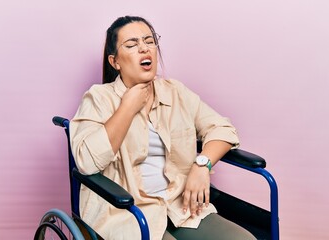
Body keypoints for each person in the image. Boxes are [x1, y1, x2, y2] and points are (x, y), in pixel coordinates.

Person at [70, 15, 256, 240]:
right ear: (115, 62)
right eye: (131, 45)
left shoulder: (175, 92)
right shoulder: (98, 98)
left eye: (149, 41)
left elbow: (223, 128)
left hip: (180, 205)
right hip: (126, 213)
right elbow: (87, 163)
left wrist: (202, 165)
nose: (144, 49)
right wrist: (127, 107)